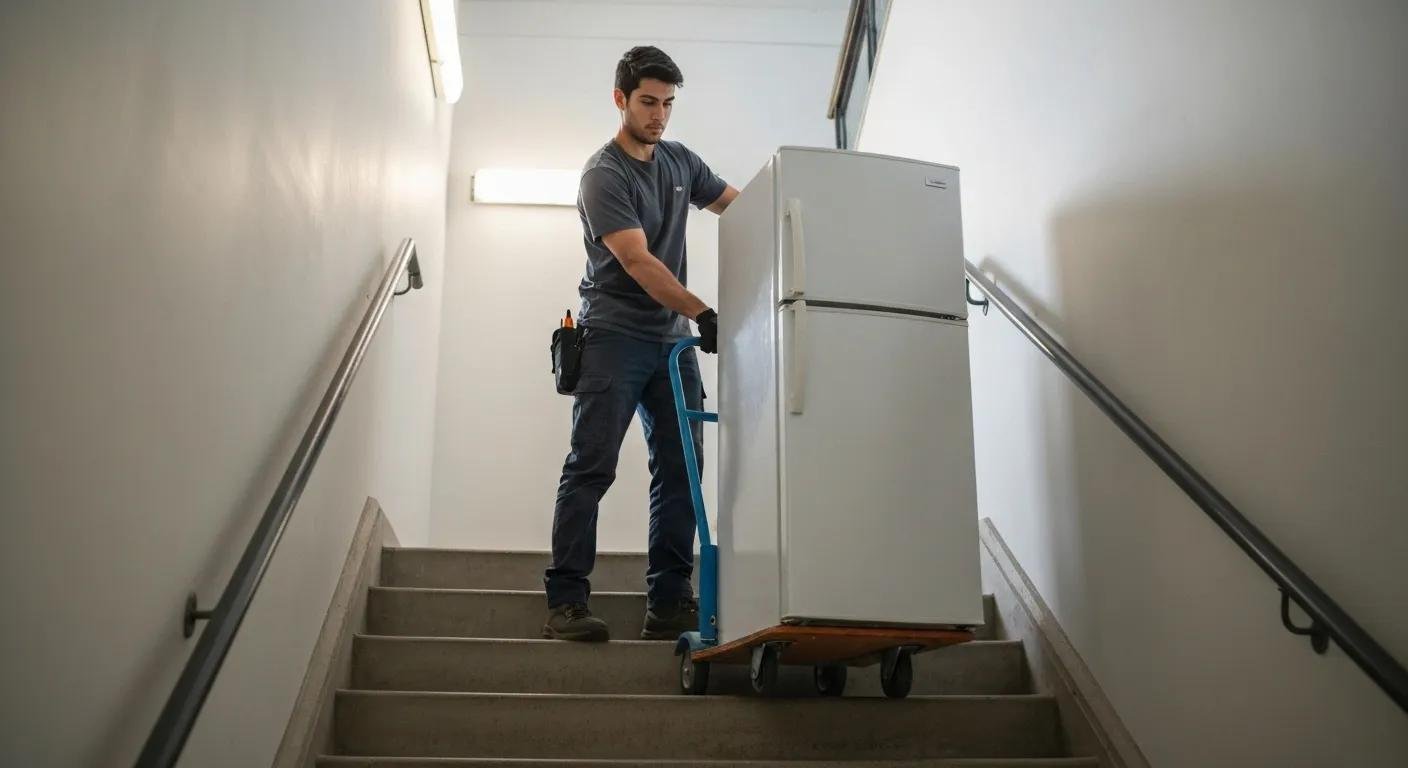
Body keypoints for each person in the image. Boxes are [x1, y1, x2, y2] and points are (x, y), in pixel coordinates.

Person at [543, 45, 739, 642]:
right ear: (620, 100)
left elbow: (740, 209)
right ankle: (567, 602)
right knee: (592, 466)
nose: (659, 115)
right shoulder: (603, 175)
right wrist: (702, 311)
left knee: (683, 469)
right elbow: (636, 260)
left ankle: (669, 600)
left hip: (671, 344)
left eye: (668, 104)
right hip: (613, 339)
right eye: (648, 102)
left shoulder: (681, 163)